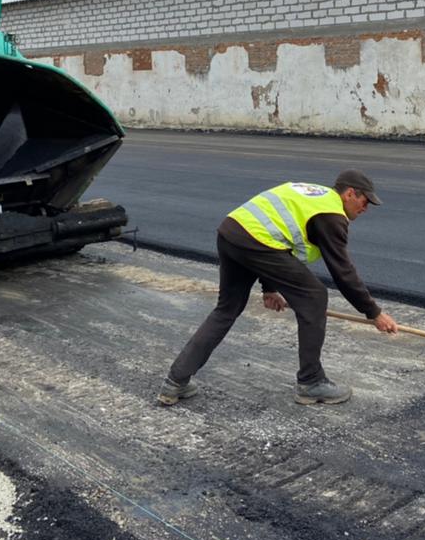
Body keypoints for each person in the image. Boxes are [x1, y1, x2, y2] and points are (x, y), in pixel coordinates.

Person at [159, 170, 398, 407]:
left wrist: (269, 288)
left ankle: (175, 381)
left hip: (232, 232)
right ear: (350, 193)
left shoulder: (315, 196)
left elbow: (280, 235)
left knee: (226, 310)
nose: (366, 208)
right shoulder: (331, 215)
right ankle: (311, 381)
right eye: (365, 201)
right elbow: (343, 272)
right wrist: (373, 312)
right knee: (314, 296)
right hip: (256, 242)